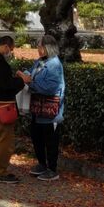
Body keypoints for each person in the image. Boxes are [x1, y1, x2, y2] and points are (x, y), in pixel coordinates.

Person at [0, 35, 31, 184]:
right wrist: (22, 81)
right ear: (5, 46)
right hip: (1, 106)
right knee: (5, 139)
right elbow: (5, 84)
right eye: (11, 49)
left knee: (0, 138)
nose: (10, 52)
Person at [28, 33, 66, 180]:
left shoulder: (55, 64)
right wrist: (25, 75)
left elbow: (49, 88)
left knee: (50, 140)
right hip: (37, 109)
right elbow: (32, 73)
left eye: (40, 46)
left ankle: (52, 168)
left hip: (51, 111)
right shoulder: (40, 61)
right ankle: (42, 164)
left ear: (48, 48)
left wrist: (30, 82)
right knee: (37, 137)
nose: (38, 49)